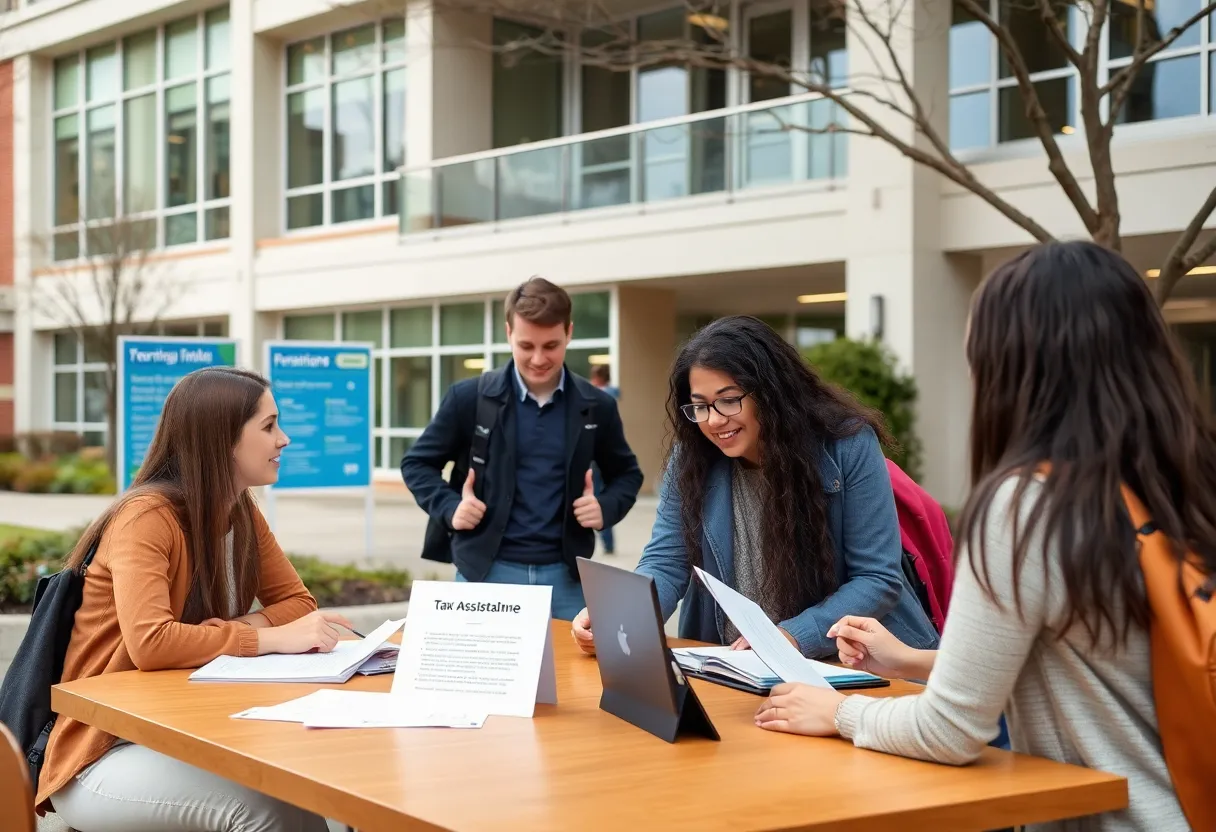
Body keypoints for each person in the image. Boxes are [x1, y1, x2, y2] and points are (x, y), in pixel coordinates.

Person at [754, 241, 1201, 831]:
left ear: (1013, 362)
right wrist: (912, 660)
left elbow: (951, 733)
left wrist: (840, 711)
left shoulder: (1028, 506)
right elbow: (1097, 662)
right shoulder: (1182, 480)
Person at [38, 367, 347, 832]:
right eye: (268, 426)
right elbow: (153, 644)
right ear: (222, 439)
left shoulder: (240, 511)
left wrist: (231, 632)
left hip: (184, 735)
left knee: (316, 794)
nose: (283, 439)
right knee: (269, 811)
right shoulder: (146, 517)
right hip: (101, 752)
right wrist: (266, 638)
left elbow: (300, 605)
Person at [571, 315, 939, 658]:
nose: (714, 421)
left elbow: (877, 578)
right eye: (700, 406)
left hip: (849, 666)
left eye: (729, 401)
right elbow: (666, 563)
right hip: (735, 667)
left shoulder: (847, 445)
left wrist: (792, 636)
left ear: (771, 392)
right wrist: (619, 618)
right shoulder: (690, 457)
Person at [402, 277, 643, 621]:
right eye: (526, 345)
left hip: (567, 581)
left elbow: (627, 474)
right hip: (485, 576)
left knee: (568, 677)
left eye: (551, 345)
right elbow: (417, 463)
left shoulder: (597, 405)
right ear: (508, 334)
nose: (539, 358)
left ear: (569, 332)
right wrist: (450, 506)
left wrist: (605, 507)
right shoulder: (468, 398)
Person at [588, 364, 620, 555]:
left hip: (594, 457)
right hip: (608, 455)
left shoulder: (595, 397)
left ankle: (606, 540)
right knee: (604, 497)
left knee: (596, 499)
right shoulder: (612, 395)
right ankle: (609, 543)